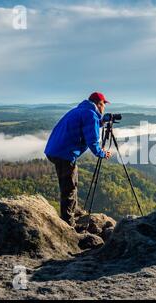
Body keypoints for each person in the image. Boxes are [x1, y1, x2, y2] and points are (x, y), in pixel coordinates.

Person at [44, 92, 112, 227]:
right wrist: (102, 154)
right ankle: (68, 223)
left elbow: (87, 127)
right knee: (69, 187)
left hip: (55, 150)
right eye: (104, 104)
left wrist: (101, 122)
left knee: (69, 184)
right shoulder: (90, 115)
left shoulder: (81, 110)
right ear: (99, 104)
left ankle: (72, 211)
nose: (104, 107)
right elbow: (92, 141)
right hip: (64, 154)